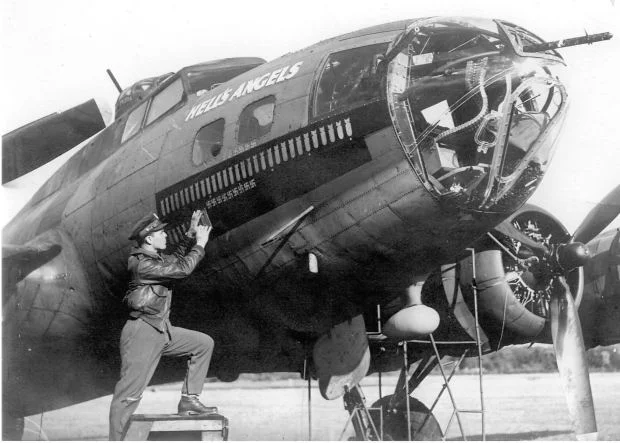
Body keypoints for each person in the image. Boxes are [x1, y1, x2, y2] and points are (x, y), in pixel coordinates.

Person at [109, 210, 216, 440]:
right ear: (149, 239)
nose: (166, 236)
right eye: (162, 233)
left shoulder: (155, 259)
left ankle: (189, 400)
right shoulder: (141, 264)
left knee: (203, 344)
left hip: (161, 329)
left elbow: (175, 259)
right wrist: (200, 244)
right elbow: (182, 269)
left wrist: (189, 235)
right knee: (129, 396)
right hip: (142, 332)